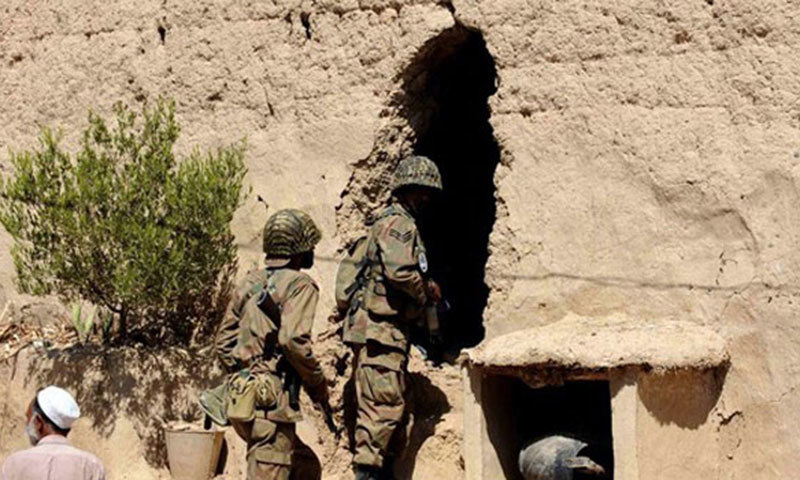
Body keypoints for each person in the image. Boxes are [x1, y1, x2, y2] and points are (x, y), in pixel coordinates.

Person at [208, 208, 331, 480]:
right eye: (309, 245)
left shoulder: (251, 281)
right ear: (299, 250)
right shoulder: (300, 284)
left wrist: (245, 375)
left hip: (243, 404)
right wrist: (316, 382)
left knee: (306, 468)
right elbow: (293, 340)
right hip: (271, 406)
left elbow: (223, 342)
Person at [352, 155, 443, 480]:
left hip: (384, 335)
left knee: (388, 414)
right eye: (422, 191)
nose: (426, 198)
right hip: (382, 333)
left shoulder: (388, 222)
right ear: (407, 189)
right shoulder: (400, 224)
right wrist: (426, 292)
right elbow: (401, 272)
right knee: (381, 414)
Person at [1, 386, 106, 480]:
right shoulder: (92, 466)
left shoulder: (14, 464)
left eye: (28, 419)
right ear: (68, 428)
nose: (27, 424)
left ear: (38, 422)